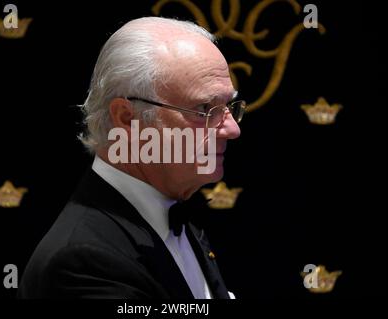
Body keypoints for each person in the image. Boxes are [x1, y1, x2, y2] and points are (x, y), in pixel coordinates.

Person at [18, 16, 246, 299]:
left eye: (228, 107)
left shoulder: (172, 203)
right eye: (204, 108)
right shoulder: (81, 263)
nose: (233, 129)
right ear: (128, 118)